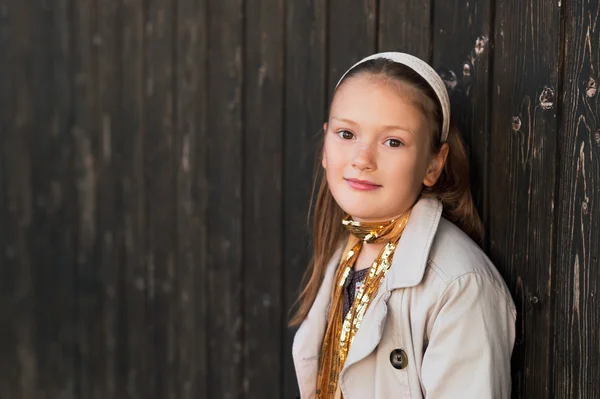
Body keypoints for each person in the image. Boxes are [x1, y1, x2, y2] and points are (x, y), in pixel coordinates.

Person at [289, 52, 516, 399]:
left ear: (433, 164)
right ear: (325, 145)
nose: (362, 159)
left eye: (393, 142)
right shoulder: (345, 252)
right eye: (346, 133)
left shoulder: (460, 285)